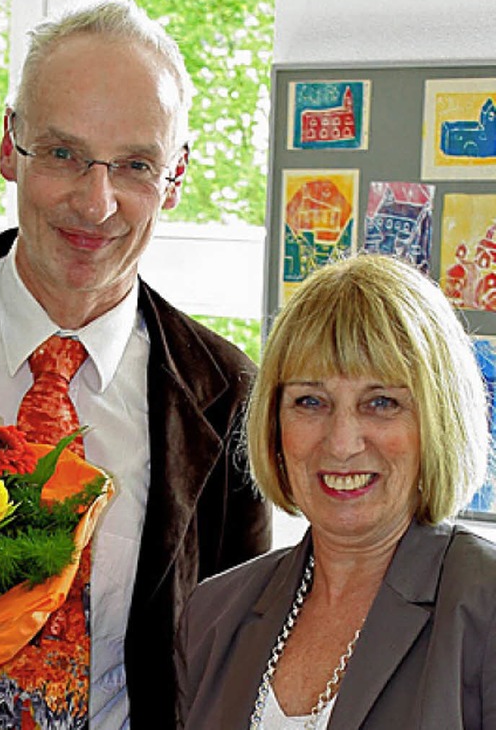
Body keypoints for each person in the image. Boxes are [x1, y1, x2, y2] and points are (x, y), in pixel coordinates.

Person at [0, 0, 271, 730]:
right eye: (63, 153)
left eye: (136, 165)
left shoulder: (227, 394)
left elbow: (233, 662)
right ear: (9, 146)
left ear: (174, 178)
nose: (96, 202)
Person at [176, 253, 496, 729]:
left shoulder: (483, 610)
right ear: (273, 423)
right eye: (310, 401)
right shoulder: (213, 615)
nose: (343, 443)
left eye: (381, 402)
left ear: (437, 420)